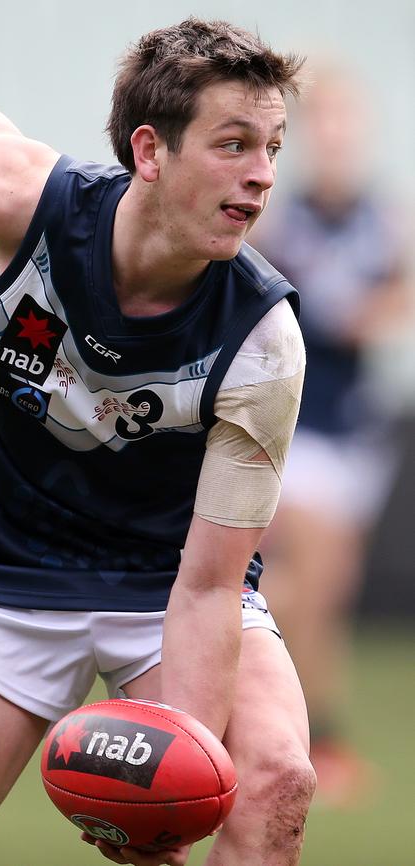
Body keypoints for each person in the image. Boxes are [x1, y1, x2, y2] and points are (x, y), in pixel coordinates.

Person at [0, 18, 315, 866]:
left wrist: (176, 782)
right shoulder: (29, 203)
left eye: (273, 147)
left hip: (169, 589)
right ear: (150, 151)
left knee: (273, 784)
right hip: (7, 580)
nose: (261, 176)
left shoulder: (262, 343)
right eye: (234, 144)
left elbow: (208, 587)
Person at [251, 67, 410, 807]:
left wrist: (375, 307)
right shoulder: (285, 219)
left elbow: (399, 292)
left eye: (350, 125)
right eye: (328, 126)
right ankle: (299, 737)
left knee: (320, 590)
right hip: (303, 420)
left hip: (357, 428)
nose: (339, 140)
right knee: (307, 585)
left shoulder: (382, 218)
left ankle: (288, 723)